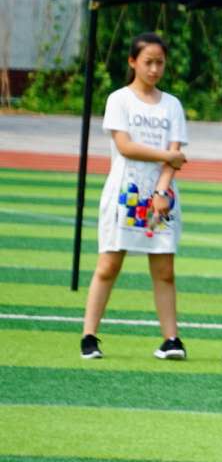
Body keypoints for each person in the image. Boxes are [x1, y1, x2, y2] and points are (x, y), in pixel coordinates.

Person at [81, 33, 190, 362]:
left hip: (161, 199)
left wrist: (161, 191)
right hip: (125, 195)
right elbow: (126, 147)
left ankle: (171, 339)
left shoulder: (172, 105)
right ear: (133, 62)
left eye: (160, 63)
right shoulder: (119, 100)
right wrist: (166, 156)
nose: (154, 69)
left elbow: (175, 155)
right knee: (109, 265)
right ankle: (89, 336)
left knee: (164, 269)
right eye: (148, 62)